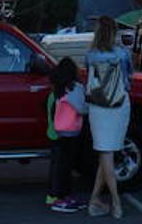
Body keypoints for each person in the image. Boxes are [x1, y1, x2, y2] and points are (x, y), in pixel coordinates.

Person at [84, 16, 132, 219]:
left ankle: (95, 200)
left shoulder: (90, 55)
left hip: (98, 107)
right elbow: (129, 79)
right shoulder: (123, 54)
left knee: (105, 155)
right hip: (119, 105)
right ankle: (116, 202)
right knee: (109, 153)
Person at [46, 57, 88, 213]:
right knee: (67, 167)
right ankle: (62, 198)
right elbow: (82, 108)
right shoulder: (75, 88)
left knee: (60, 166)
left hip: (59, 131)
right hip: (72, 132)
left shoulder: (58, 88)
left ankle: (59, 196)